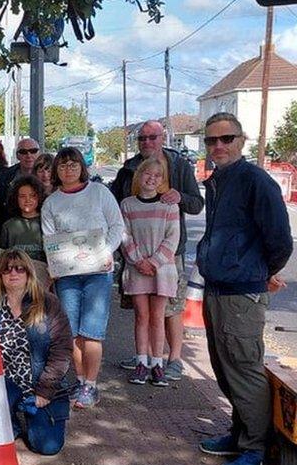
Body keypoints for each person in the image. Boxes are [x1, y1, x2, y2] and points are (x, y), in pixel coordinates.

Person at [195, 112, 293, 465]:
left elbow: (280, 240)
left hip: (241, 293)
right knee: (224, 365)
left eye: (226, 139)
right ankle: (239, 435)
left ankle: (257, 450)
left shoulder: (255, 181)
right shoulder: (219, 180)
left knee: (244, 368)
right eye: (211, 140)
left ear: (242, 141)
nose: (218, 146)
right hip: (218, 287)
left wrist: (261, 273)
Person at [111, 119, 204, 381]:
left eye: (152, 137)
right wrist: (134, 257)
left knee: (169, 310)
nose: (147, 143)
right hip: (136, 256)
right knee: (141, 313)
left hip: (167, 255)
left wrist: (179, 197)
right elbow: (116, 208)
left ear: (163, 138)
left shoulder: (179, 165)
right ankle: (144, 357)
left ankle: (171, 359)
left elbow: (197, 203)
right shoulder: (128, 168)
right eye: (142, 138)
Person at [0, 249, 73, 455]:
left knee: (47, 446)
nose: (13, 273)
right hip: (1, 385)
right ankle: (10, 417)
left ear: (29, 273)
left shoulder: (49, 303)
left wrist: (45, 391)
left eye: (19, 269)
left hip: (40, 384)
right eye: (6, 270)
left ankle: (25, 413)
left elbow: (62, 350)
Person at [41, 147, 124, 409]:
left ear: (81, 166)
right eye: (62, 165)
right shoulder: (51, 202)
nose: (68, 169)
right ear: (56, 170)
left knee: (93, 332)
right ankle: (78, 379)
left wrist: (106, 251)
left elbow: (117, 226)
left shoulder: (99, 192)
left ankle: (91, 384)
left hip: (98, 273)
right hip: (68, 275)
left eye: (73, 164)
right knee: (72, 332)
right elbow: (49, 240)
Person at [119, 158, 180, 387]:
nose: (151, 179)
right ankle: (141, 361)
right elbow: (125, 236)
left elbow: (172, 237)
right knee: (141, 316)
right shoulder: (128, 205)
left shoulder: (169, 206)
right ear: (139, 176)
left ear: (162, 180)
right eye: (148, 174)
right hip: (136, 269)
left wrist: (154, 262)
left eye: (157, 176)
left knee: (158, 317)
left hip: (162, 270)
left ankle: (157, 363)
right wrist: (138, 260)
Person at [0, 175, 49, 289]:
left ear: (39, 197)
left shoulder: (47, 223)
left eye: (32, 196)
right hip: (15, 277)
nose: (27, 200)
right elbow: (1, 258)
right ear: (15, 199)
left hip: (41, 278)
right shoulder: (9, 226)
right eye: (22, 196)